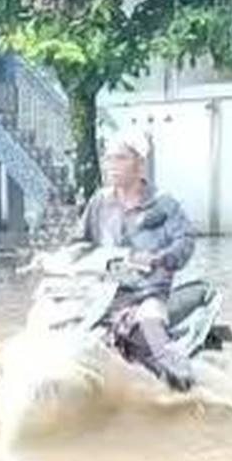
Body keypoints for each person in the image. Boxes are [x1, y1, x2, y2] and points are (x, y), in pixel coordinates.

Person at [72, 136, 197, 390]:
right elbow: (79, 243)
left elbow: (186, 243)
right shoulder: (100, 202)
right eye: (108, 158)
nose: (111, 165)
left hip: (147, 295)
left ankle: (188, 389)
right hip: (103, 294)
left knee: (154, 335)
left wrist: (159, 258)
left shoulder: (164, 204)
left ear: (140, 165)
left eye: (120, 158)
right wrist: (58, 259)